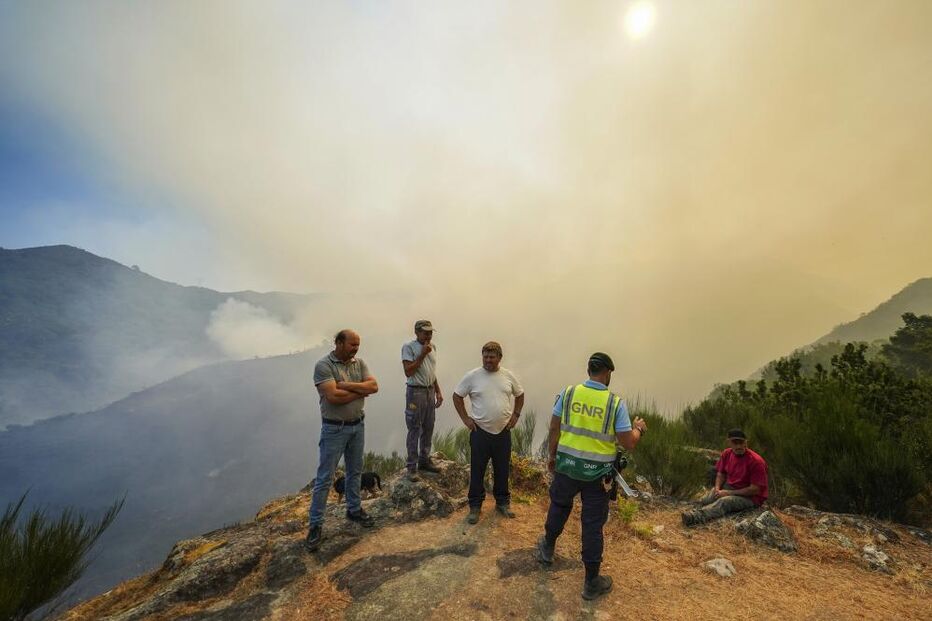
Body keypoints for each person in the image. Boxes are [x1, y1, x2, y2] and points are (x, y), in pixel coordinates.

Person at [536, 352, 647, 601]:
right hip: (597, 476)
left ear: (589, 370)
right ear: (607, 373)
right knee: (592, 525)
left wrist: (552, 456)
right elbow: (628, 442)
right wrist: (639, 429)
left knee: (559, 507)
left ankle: (547, 549)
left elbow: (554, 427)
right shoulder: (615, 403)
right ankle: (590, 582)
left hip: (567, 467)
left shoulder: (568, 393)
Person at [305, 329, 379, 552]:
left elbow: (374, 386)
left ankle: (354, 509)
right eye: (352, 345)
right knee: (325, 478)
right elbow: (333, 397)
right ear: (338, 343)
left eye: (358, 345)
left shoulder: (359, 363)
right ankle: (315, 525)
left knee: (355, 471)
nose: (356, 348)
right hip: (334, 429)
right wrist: (360, 391)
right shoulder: (324, 366)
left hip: (358, 425)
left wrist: (345, 385)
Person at [452, 341, 524, 524]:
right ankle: (475, 507)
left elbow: (520, 394)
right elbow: (457, 396)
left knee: (502, 469)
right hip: (480, 433)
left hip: (503, 432)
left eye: (492, 357)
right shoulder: (472, 376)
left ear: (500, 357)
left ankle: (502, 503)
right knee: (477, 470)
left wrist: (515, 415)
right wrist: (466, 419)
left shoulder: (508, 376)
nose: (488, 360)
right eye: (485, 356)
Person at [681, 428, 768, 527]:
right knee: (709, 497)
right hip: (731, 488)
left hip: (750, 498)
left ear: (746, 443)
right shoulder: (727, 453)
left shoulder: (756, 461)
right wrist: (718, 489)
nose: (739, 446)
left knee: (725, 502)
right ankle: (697, 508)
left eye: (741, 442)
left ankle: (695, 517)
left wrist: (729, 493)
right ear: (729, 443)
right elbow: (721, 473)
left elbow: (755, 490)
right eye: (735, 443)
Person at [401, 320, 443, 481]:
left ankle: (424, 461)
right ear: (417, 332)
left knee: (428, 426)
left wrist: (438, 391)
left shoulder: (433, 347)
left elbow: (430, 372)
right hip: (415, 392)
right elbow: (408, 371)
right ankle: (412, 467)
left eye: (430, 332)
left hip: (429, 391)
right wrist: (423, 354)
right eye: (425, 332)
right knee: (414, 429)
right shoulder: (409, 347)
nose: (428, 335)